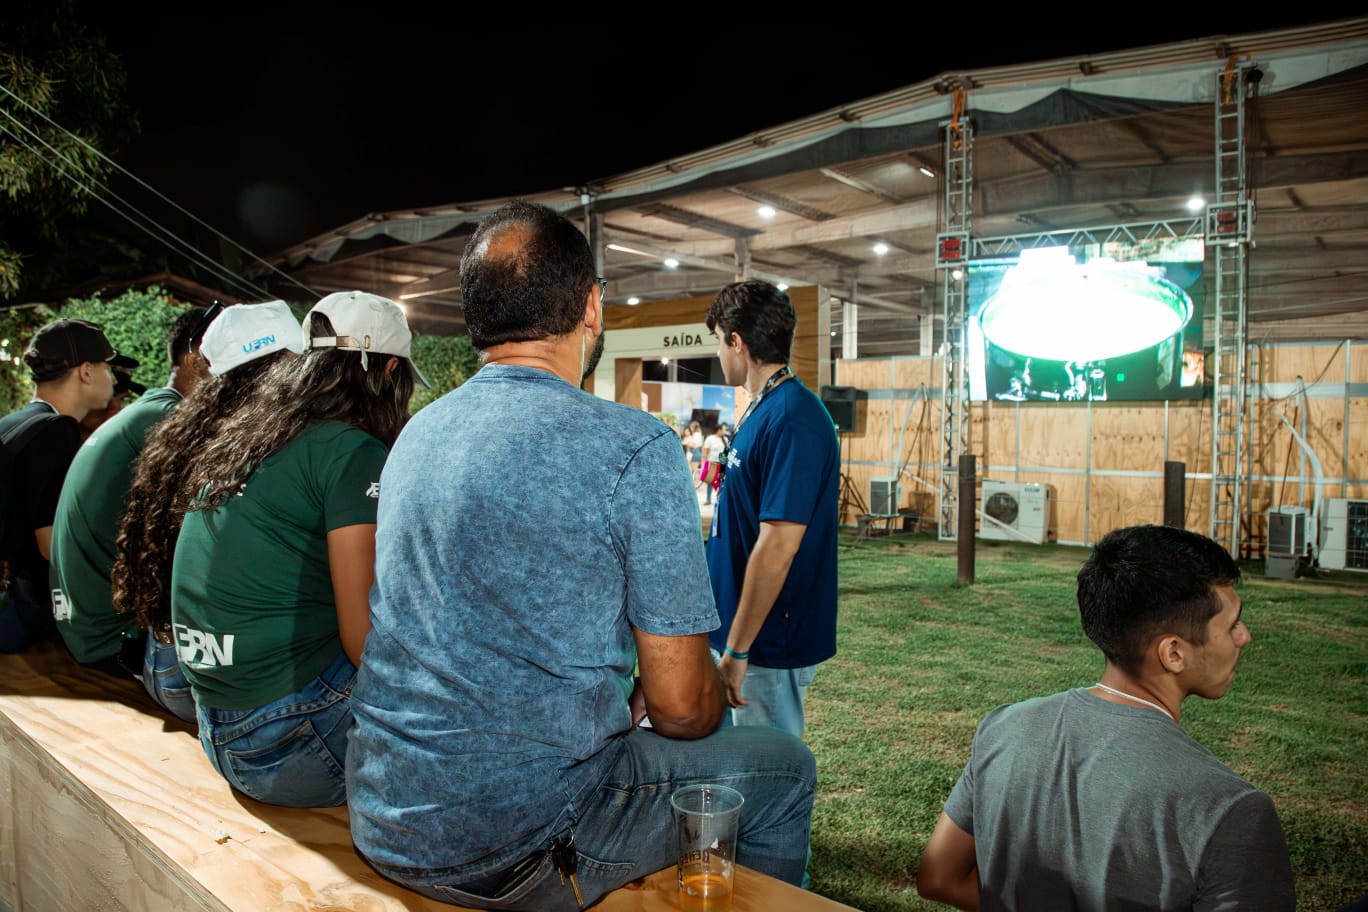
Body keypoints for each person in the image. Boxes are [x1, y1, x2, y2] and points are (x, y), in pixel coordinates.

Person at [347, 200, 816, 911]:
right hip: (517, 839)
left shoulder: (418, 433)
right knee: (784, 767)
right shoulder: (634, 447)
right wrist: (706, 690)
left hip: (386, 811)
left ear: (477, 315)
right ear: (592, 308)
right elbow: (682, 708)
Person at [916, 524, 1297, 911]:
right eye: (1232, 625)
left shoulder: (1003, 728)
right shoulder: (1230, 808)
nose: (1244, 637)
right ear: (1174, 653)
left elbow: (938, 878)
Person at [169, 291, 421, 808]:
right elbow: (364, 642)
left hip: (216, 726)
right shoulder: (352, 451)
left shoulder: (251, 433)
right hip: (287, 742)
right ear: (390, 370)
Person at [111, 300, 304, 723]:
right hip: (201, 688)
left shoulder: (186, 436)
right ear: (285, 363)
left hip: (159, 662)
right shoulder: (260, 448)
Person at [49, 306, 212, 698]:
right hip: (110, 637)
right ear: (194, 359)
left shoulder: (153, 409)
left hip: (80, 624)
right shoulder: (170, 419)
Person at [704, 280, 840, 739]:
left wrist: (739, 651)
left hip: (764, 646)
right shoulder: (763, 408)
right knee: (734, 781)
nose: (718, 353)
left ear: (736, 342)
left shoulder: (793, 418)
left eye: (718, 341)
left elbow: (779, 544)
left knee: (765, 785)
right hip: (739, 638)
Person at [0, 318, 131, 653]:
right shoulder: (55, 430)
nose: (113, 379)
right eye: (107, 367)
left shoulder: (12, 423)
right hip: (20, 617)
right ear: (85, 371)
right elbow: (52, 543)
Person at [700, 424, 725, 506]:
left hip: (721, 463)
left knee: (721, 482)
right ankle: (708, 499)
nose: (724, 432)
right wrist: (705, 461)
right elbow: (705, 450)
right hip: (712, 463)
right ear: (719, 430)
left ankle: (720, 499)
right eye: (723, 430)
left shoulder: (724, 439)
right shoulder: (710, 439)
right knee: (710, 482)